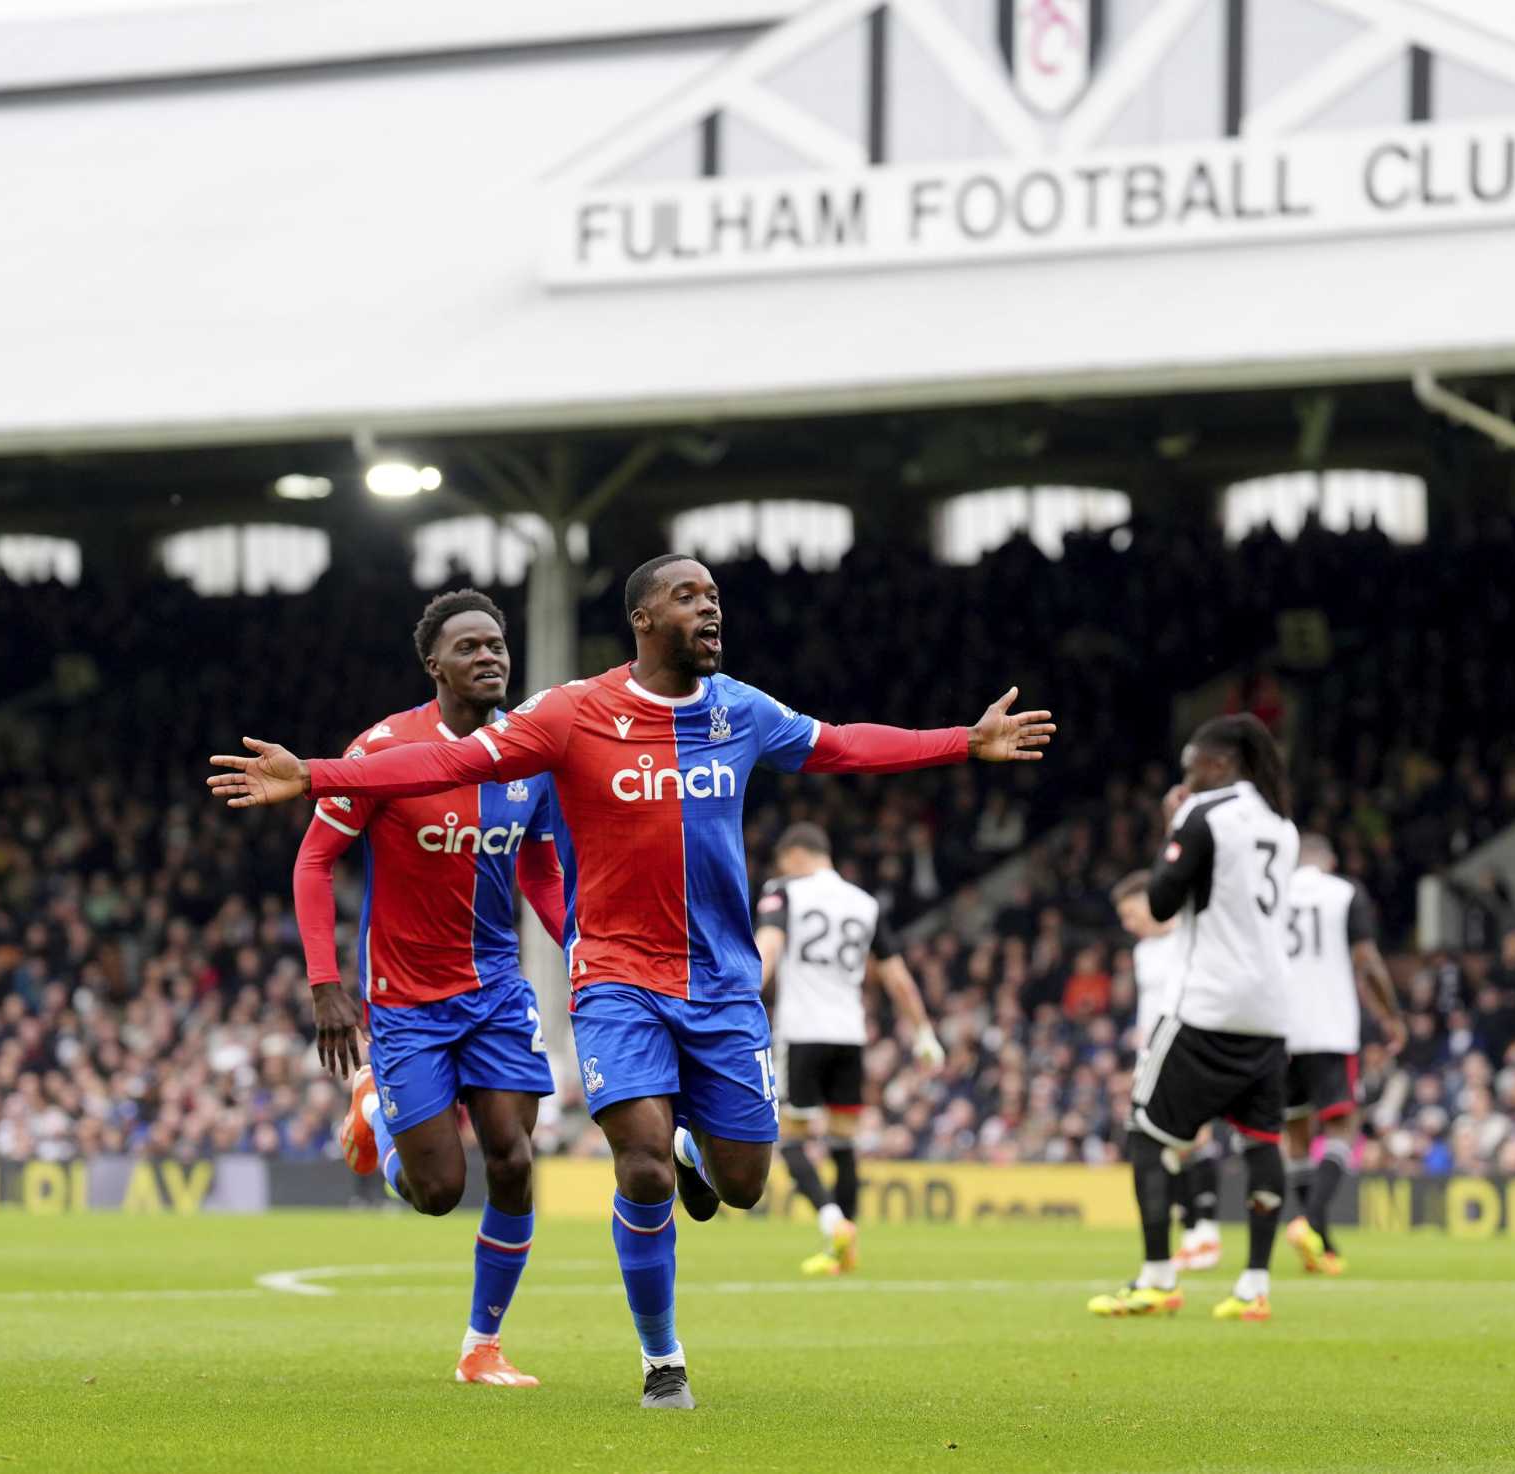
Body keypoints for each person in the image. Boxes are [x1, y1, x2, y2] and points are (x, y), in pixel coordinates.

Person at [211, 553, 1054, 1409]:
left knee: (746, 1186)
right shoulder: (573, 714)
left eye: (715, 597)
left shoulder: (741, 712)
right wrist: (318, 775)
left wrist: (965, 741)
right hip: (614, 980)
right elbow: (443, 765)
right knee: (630, 1170)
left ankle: (698, 1149)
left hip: (723, 987)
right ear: (645, 620)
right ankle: (663, 1360)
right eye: (689, 597)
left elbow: (840, 745)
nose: (710, 609)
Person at [292, 589, 567, 1389]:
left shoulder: (531, 757)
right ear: (433, 664)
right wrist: (325, 985)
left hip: (496, 992)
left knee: (514, 1162)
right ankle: (375, 1104)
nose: (491, 656)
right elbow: (313, 862)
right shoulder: (383, 749)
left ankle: (481, 1346)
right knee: (440, 1191)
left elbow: (541, 871)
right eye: (471, 646)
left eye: (499, 644)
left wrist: (582, 943)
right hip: (407, 1000)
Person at [1089, 714, 1298, 1323]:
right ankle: (1254, 1285)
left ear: (1219, 764)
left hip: (1210, 1002)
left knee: (1146, 1136)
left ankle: (1158, 1277)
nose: (1185, 779)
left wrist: (1171, 825)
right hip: (1270, 1010)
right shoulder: (1282, 826)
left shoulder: (1204, 815)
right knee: (1262, 1144)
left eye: (1191, 768)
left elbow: (1159, 901)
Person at [754, 822, 943, 1278]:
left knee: (791, 1139)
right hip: (850, 1035)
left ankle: (833, 1221)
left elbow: (770, 947)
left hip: (802, 1032)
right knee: (843, 1143)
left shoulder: (784, 891)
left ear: (796, 856)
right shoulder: (865, 903)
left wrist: (738, 1001)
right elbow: (896, 977)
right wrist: (923, 1033)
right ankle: (847, 1246)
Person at [1280, 833, 1403, 1276]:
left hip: (1278, 1027)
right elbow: (1366, 960)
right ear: (1328, 860)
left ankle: (1322, 1243)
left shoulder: (1272, 889)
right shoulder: (1344, 893)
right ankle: (1310, 1221)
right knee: (1341, 1125)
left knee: (1295, 1131)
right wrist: (1391, 1015)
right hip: (1329, 1026)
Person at [1112, 870, 1218, 1268]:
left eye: (1131, 913)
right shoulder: (1143, 952)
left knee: (1192, 1139)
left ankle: (1204, 1229)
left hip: (1187, 1050)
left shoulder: (1189, 939)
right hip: (1150, 1056)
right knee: (1167, 1147)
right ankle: (1193, 1229)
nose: (1128, 923)